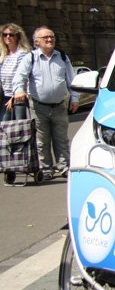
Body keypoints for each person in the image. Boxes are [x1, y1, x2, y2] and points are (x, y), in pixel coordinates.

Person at [11, 27, 79, 178]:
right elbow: (19, 77)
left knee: (61, 138)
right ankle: (46, 169)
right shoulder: (31, 58)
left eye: (52, 37)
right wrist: (19, 91)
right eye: (45, 38)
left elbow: (71, 80)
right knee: (42, 141)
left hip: (59, 105)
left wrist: (75, 98)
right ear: (36, 42)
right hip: (38, 106)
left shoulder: (61, 56)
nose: (50, 40)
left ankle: (64, 167)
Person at [1, 23, 31, 122]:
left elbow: (24, 77)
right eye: (5, 34)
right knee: (5, 128)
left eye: (11, 34)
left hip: (19, 97)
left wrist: (15, 96)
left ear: (18, 37)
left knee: (19, 127)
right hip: (5, 96)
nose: (7, 37)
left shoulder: (23, 54)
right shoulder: (3, 55)